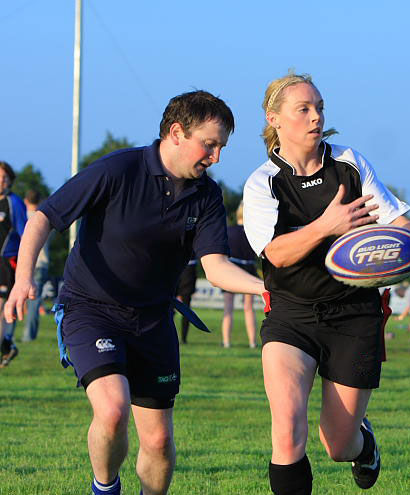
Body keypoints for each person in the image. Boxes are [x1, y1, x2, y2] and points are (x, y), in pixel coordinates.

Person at [4, 90, 264, 495]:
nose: (216, 157)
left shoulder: (207, 195)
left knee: (158, 441)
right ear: (177, 133)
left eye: (221, 147)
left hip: (154, 318)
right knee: (112, 410)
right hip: (91, 309)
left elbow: (215, 267)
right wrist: (23, 280)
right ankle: (105, 488)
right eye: (209, 144)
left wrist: (265, 289)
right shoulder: (118, 170)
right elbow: (44, 218)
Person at [242, 73, 410, 494]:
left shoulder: (350, 163)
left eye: (319, 107)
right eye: (303, 109)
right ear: (275, 119)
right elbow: (276, 253)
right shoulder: (262, 183)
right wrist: (326, 225)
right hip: (292, 315)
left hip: (354, 314)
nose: (315, 117)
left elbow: (393, 219)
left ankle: (365, 445)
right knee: (287, 431)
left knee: (338, 445)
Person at [0, 161, 27, 368]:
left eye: (5, 177)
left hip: (5, 264)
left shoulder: (14, 203)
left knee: (0, 307)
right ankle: (7, 345)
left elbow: (25, 234)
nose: (1, 181)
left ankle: (5, 344)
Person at [222, 201, 259, 348]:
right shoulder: (254, 232)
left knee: (228, 308)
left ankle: (226, 342)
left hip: (232, 268)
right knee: (249, 308)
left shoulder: (229, 231)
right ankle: (252, 342)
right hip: (249, 268)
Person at [22, 189, 50, 342]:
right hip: (41, 264)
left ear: (25, 201)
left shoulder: (23, 217)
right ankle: (29, 335)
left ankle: (13, 335)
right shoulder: (44, 218)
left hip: (25, 263)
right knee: (34, 300)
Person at [175, 257, 198, 344]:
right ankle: (183, 339)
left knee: (184, 309)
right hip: (186, 270)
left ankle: (183, 338)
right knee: (185, 309)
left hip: (183, 269)